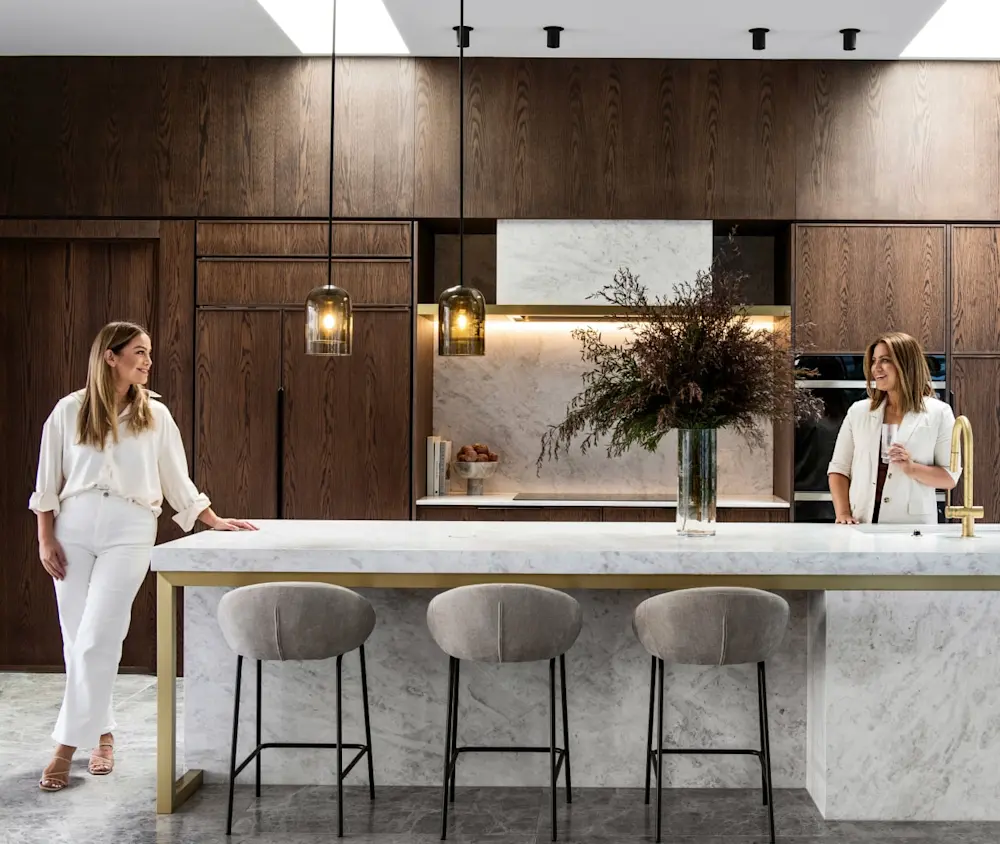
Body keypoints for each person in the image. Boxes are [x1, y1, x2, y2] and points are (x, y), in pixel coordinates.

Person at [30, 321, 257, 792]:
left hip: (130, 529)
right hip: (72, 527)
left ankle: (64, 747)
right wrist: (45, 538)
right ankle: (104, 735)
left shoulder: (155, 414)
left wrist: (211, 519)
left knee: (99, 637)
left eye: (149, 353)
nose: (148, 361)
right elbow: (47, 482)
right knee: (78, 642)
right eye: (139, 352)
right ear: (110, 357)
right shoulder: (68, 411)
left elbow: (177, 479)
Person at [827, 331, 960, 525]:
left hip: (913, 527)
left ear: (906, 365)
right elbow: (838, 469)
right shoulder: (858, 412)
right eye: (874, 361)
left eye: (885, 360)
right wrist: (843, 513)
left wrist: (911, 468)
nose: (876, 368)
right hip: (861, 521)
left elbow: (949, 478)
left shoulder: (939, 413)